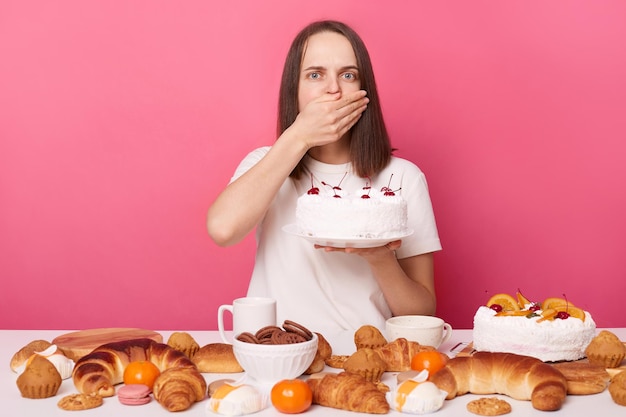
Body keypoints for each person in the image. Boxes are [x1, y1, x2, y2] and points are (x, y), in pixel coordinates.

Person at [207, 20, 441, 334]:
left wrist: (381, 259)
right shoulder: (265, 163)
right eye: (315, 75)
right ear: (295, 90)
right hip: (277, 353)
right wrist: (298, 137)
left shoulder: (403, 177)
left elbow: (422, 313)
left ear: (363, 90)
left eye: (348, 74)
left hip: (365, 360)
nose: (333, 89)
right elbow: (222, 230)